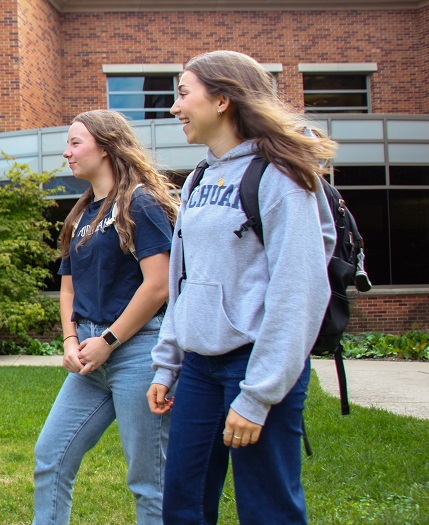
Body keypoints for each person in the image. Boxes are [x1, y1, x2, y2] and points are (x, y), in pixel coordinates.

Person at [146, 50, 337, 524]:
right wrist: (167, 363)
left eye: (184, 94)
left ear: (223, 100)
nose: (175, 108)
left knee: (267, 508)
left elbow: (301, 290)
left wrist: (257, 395)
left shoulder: (281, 175)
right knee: (183, 504)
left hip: (257, 363)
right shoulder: (198, 177)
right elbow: (183, 281)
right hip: (198, 368)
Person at [32, 110, 177, 525]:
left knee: (149, 479)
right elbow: (69, 286)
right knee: (51, 456)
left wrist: (108, 340)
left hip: (138, 353)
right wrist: (69, 341)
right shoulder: (80, 213)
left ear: (107, 146)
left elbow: (158, 285)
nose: (66, 152)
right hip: (88, 357)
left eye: (76, 142)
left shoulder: (141, 203)